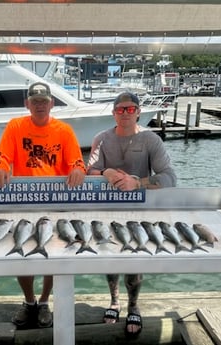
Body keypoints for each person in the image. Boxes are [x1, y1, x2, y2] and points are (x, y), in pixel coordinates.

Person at [0, 81, 86, 329]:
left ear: (51, 104)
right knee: (21, 253)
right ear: (27, 104)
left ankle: (44, 301)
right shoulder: (16, 126)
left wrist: (78, 169)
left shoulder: (64, 130)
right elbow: (3, 156)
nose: (40, 105)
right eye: (35, 101)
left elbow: (77, 161)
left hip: (56, 200)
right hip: (23, 200)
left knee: (52, 253)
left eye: (44, 101)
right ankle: (29, 300)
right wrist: (0, 167)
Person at [87, 91, 176, 335]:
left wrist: (138, 183)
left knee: (135, 259)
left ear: (138, 112)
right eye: (120, 109)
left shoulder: (151, 140)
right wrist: (106, 173)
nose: (125, 113)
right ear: (114, 112)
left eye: (130, 109)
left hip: (139, 210)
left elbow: (170, 177)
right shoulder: (101, 139)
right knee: (110, 256)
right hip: (108, 208)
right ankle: (114, 300)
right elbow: (90, 170)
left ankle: (133, 305)